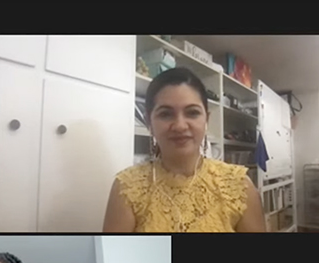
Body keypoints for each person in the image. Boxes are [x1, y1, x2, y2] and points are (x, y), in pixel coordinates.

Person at [103, 67, 266, 232]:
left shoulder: (240, 186)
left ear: (206, 119)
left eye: (192, 113)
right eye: (166, 114)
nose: (180, 126)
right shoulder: (126, 188)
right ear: (149, 122)